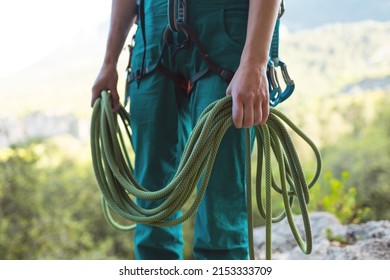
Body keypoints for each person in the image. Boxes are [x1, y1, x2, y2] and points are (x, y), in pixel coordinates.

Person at [91, 0, 280, 260]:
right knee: (151, 200)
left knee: (221, 197)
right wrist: (109, 62)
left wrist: (256, 62)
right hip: (151, 33)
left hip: (228, 27)